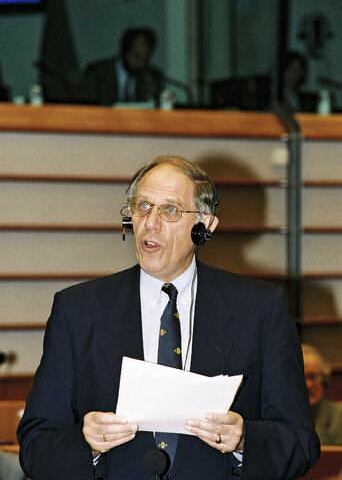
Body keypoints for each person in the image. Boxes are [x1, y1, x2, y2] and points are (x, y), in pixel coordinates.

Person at [17, 155, 320, 479]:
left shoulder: (260, 310)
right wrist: (85, 443)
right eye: (143, 206)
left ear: (205, 224)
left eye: (170, 210)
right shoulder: (77, 310)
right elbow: (36, 446)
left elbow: (301, 444)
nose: (150, 222)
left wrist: (245, 440)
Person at [66, 27, 164, 106]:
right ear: (125, 51)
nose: (141, 64)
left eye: (146, 59)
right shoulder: (98, 73)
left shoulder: (152, 76)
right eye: (136, 57)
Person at [302, 343, 342, 446]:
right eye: (302, 378)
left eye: (313, 377)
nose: (309, 385)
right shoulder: (278, 416)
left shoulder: (338, 415)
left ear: (324, 380)